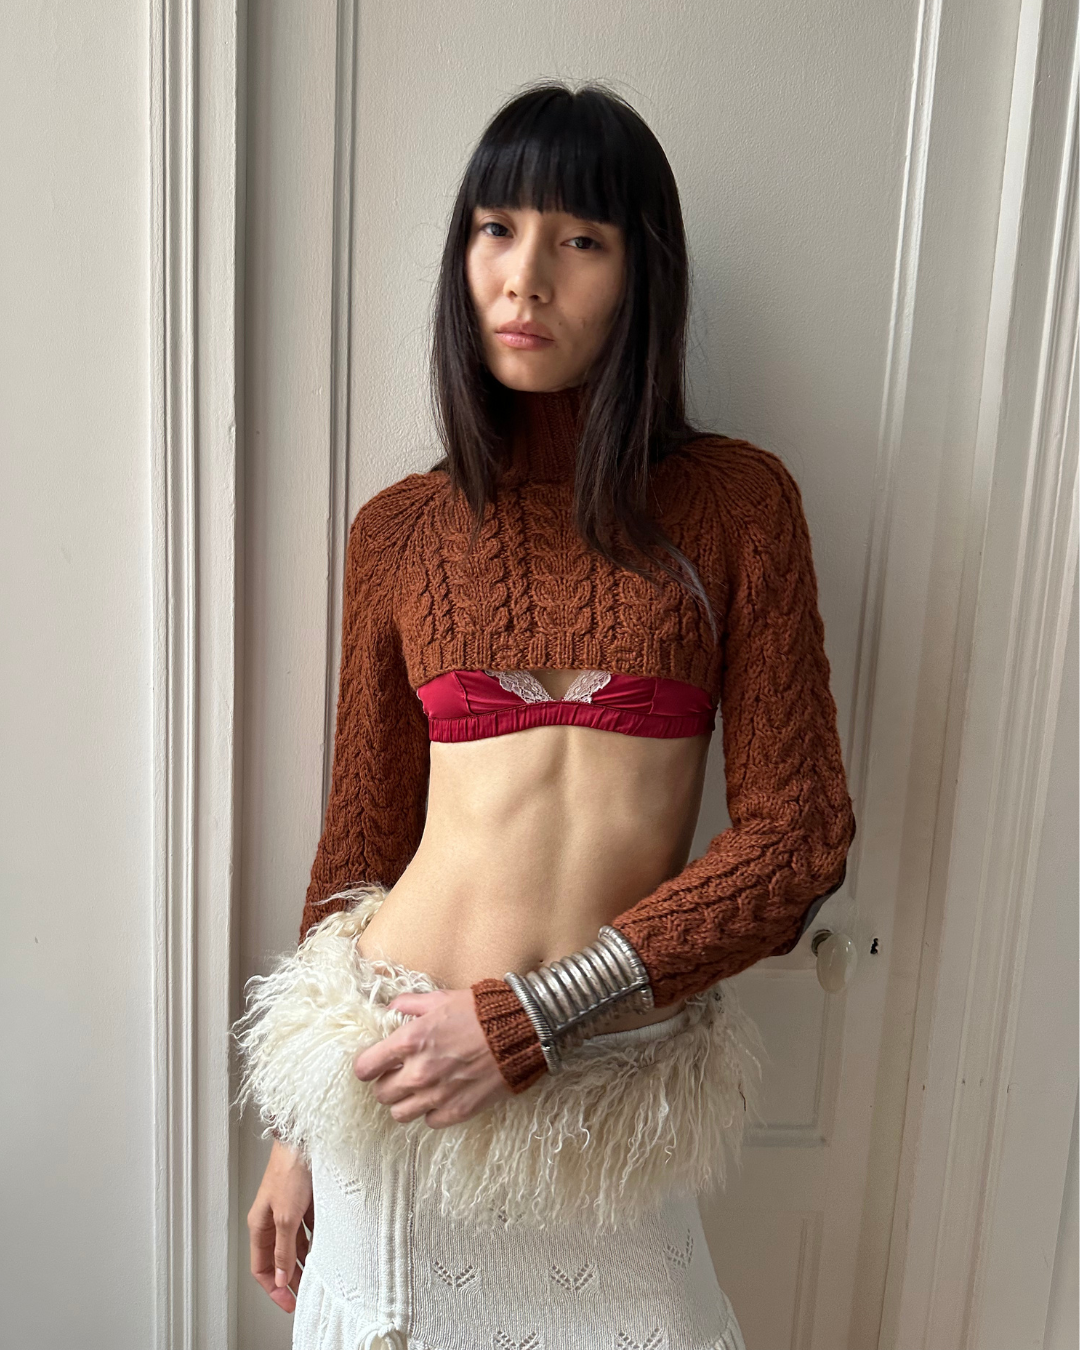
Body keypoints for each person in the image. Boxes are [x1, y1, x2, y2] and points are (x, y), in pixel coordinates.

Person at [234, 80, 856, 1350]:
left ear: (641, 274)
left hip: (598, 1103)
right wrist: (297, 1131)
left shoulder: (740, 507)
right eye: (496, 230)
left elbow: (799, 839)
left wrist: (534, 1017)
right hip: (395, 1073)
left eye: (580, 240)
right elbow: (358, 846)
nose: (526, 278)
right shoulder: (400, 532)